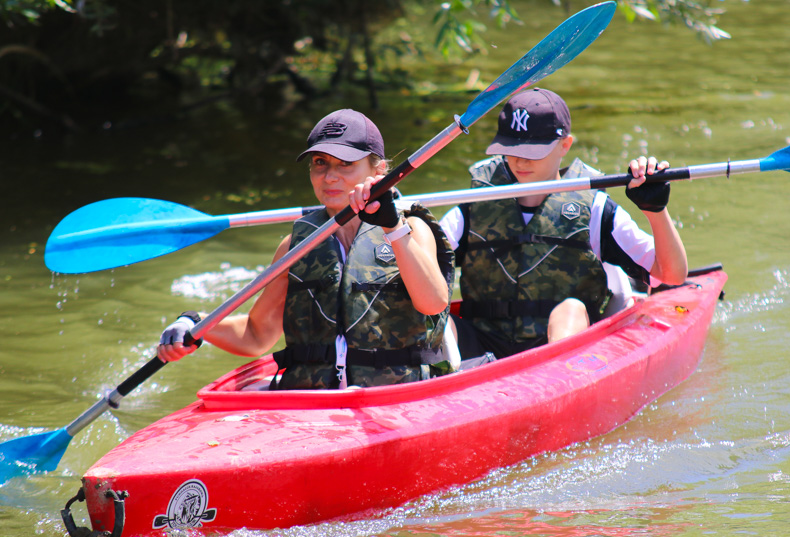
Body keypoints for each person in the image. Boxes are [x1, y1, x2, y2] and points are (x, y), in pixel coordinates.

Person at [158, 109, 456, 389]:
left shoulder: (411, 228)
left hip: (396, 397)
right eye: (320, 163)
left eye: (346, 164)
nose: (329, 177)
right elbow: (256, 335)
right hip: (316, 400)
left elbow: (433, 303)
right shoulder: (296, 246)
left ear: (379, 169)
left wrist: (393, 228)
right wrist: (197, 326)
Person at [440, 88, 688, 360]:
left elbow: (672, 274)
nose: (520, 160)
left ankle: (554, 381)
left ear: (565, 145)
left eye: (532, 151)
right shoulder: (473, 206)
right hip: (481, 345)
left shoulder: (594, 210)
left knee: (569, 310)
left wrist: (655, 211)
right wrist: (397, 225)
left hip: (561, 351)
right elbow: (418, 264)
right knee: (439, 321)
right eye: (510, 149)